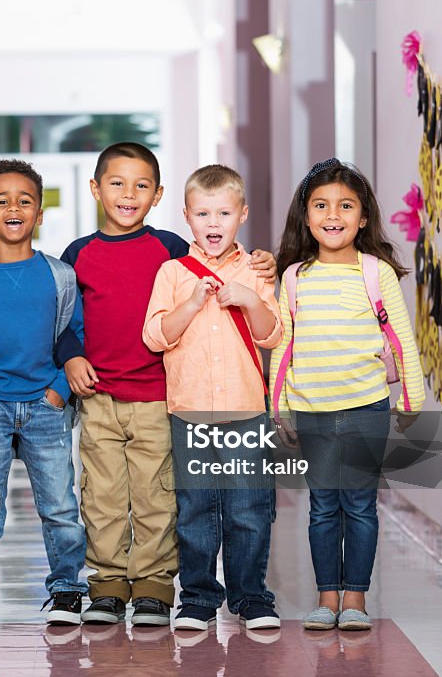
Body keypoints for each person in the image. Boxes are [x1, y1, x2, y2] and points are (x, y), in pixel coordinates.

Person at [59, 143, 277, 625]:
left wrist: (264, 263)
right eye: (116, 183)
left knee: (161, 496)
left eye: (141, 185)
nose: (128, 194)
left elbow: (224, 263)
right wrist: (70, 358)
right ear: (96, 189)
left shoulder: (174, 250)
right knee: (104, 495)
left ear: (157, 196)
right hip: (102, 397)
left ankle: (157, 586)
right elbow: (63, 322)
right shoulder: (79, 254)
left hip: (162, 397)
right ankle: (109, 583)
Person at [269, 158, 425, 631]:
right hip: (312, 410)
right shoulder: (295, 277)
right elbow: (284, 345)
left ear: (362, 217)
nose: (332, 214)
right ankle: (326, 598)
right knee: (322, 507)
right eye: (320, 205)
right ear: (306, 215)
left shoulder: (375, 273)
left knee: (358, 504)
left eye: (345, 205)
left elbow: (402, 337)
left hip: (365, 408)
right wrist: (279, 407)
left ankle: (355, 599)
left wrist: (411, 399)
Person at [0, 159, 88, 629]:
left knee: (61, 507)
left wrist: (60, 391)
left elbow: (75, 335)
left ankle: (68, 588)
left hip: (45, 407)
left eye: (25, 200)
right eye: (1, 201)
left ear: (40, 213)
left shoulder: (60, 276)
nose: (14, 208)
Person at [143, 164, 283, 631]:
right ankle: (199, 597)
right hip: (190, 411)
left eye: (224, 212)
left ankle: (250, 596)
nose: (214, 223)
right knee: (196, 508)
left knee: (249, 509)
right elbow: (154, 336)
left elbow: (272, 335)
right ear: (187, 216)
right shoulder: (172, 272)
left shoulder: (257, 271)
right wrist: (190, 303)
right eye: (203, 213)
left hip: (246, 410)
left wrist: (249, 298)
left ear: (242, 214)